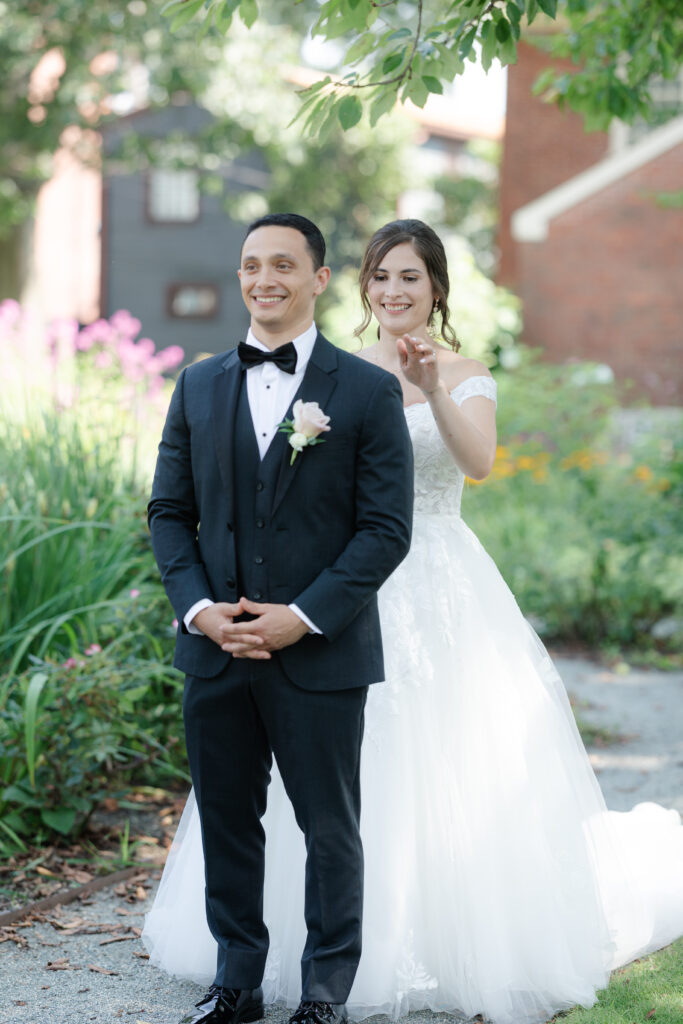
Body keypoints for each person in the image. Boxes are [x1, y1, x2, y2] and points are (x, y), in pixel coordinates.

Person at [144, 220, 683, 1024]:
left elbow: (474, 465)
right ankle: (248, 970)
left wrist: (431, 387)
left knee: (403, 778)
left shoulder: (448, 376)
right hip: (305, 595)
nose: (394, 292)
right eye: (383, 278)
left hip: (427, 586)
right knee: (271, 797)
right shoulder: (330, 376)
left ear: (435, 289)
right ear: (359, 286)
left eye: (411, 279)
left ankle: (382, 961)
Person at [146, 213, 414, 1024]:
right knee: (228, 820)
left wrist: (304, 616)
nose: (265, 279)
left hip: (320, 655)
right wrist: (197, 611)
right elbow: (168, 512)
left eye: (283, 265)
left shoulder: (366, 391)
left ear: (318, 278)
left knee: (330, 828)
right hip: (216, 652)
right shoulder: (196, 385)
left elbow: (385, 530)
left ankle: (326, 993)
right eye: (251, 265)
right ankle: (236, 984)